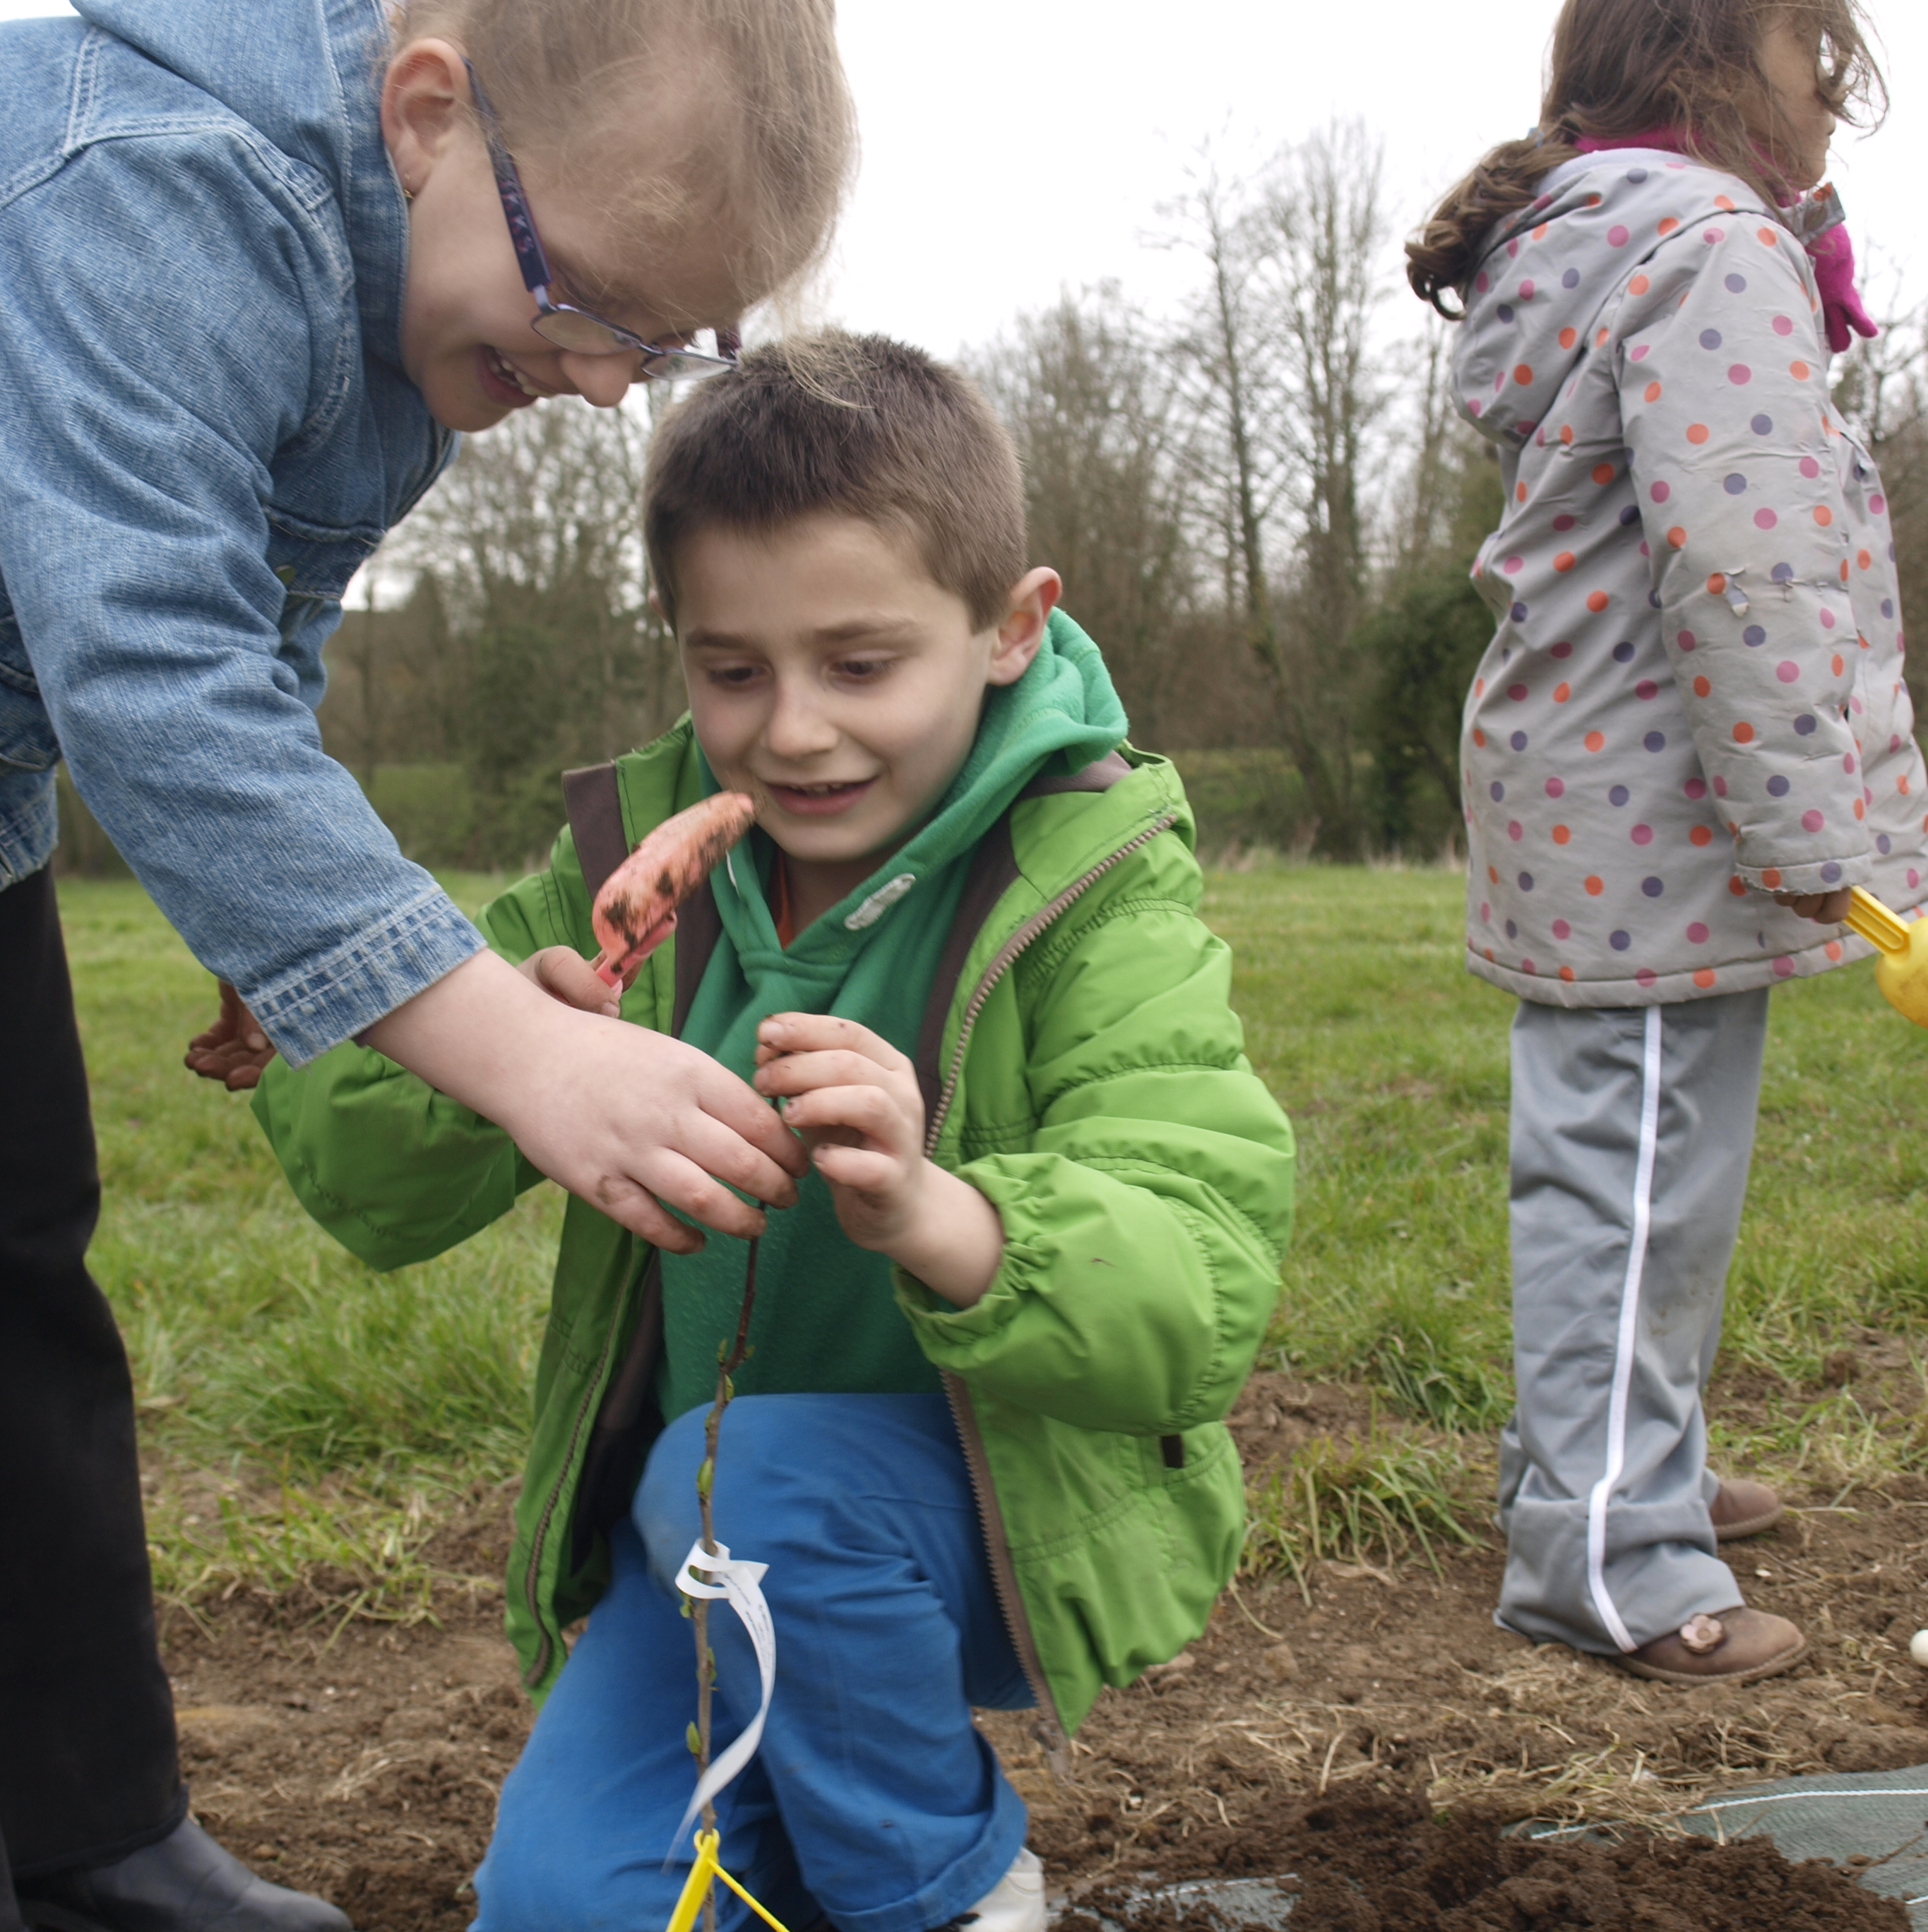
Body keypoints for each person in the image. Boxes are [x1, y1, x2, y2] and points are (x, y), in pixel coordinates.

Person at [0, 1, 850, 1926]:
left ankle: (79, 1836)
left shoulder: (417, 326)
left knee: (9, 1272)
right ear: (429, 114)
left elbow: (249, 616)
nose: (600, 385)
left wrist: (266, 926)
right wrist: (515, 1048)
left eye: (660, 345)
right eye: (589, 303)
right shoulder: (152, 178)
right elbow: (148, 667)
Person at [249, 334, 1296, 1932]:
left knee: (767, 1487)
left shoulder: (1093, 876)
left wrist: (938, 1209)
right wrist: (505, 1059)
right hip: (705, 1537)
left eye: (861, 667)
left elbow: (1203, 1277)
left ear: (1012, 629)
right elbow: (361, 1168)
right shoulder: (629, 863)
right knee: (565, 1910)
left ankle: (948, 1890)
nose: (794, 731)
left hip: (996, 1516)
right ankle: (795, 1802)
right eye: (733, 672)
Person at [1403, 0, 1928, 1686]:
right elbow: (1749, 561)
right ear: (1713, 65)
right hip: (1666, 816)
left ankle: (1609, 1472)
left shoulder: (1620, 237)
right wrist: (1819, 829)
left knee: (1647, 1181)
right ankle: (1605, 1557)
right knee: (1636, 1186)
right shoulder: (1712, 247)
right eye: (1815, 58)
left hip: (1619, 802)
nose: (1833, 98)